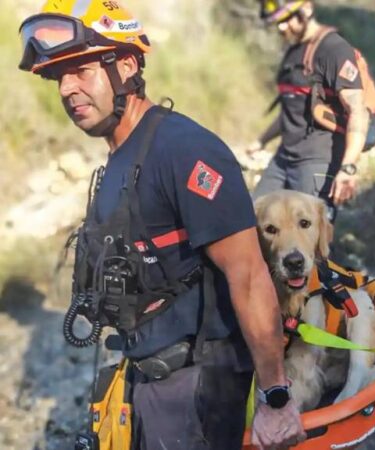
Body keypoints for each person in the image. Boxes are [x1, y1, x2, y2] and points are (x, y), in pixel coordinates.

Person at [18, 1, 306, 449]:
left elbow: (247, 275)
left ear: (127, 65)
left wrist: (275, 397)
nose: (67, 89)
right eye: (59, 77)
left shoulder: (183, 150)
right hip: (148, 377)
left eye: (81, 70)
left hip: (198, 388)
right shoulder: (120, 155)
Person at [247, 0, 370, 220]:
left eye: (287, 20)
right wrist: (261, 141)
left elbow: (358, 111)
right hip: (283, 159)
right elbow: (292, 108)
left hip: (317, 161)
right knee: (252, 224)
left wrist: (349, 167)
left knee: (307, 243)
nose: (282, 28)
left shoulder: (333, 49)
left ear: (307, 10)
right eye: (278, 22)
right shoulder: (293, 53)